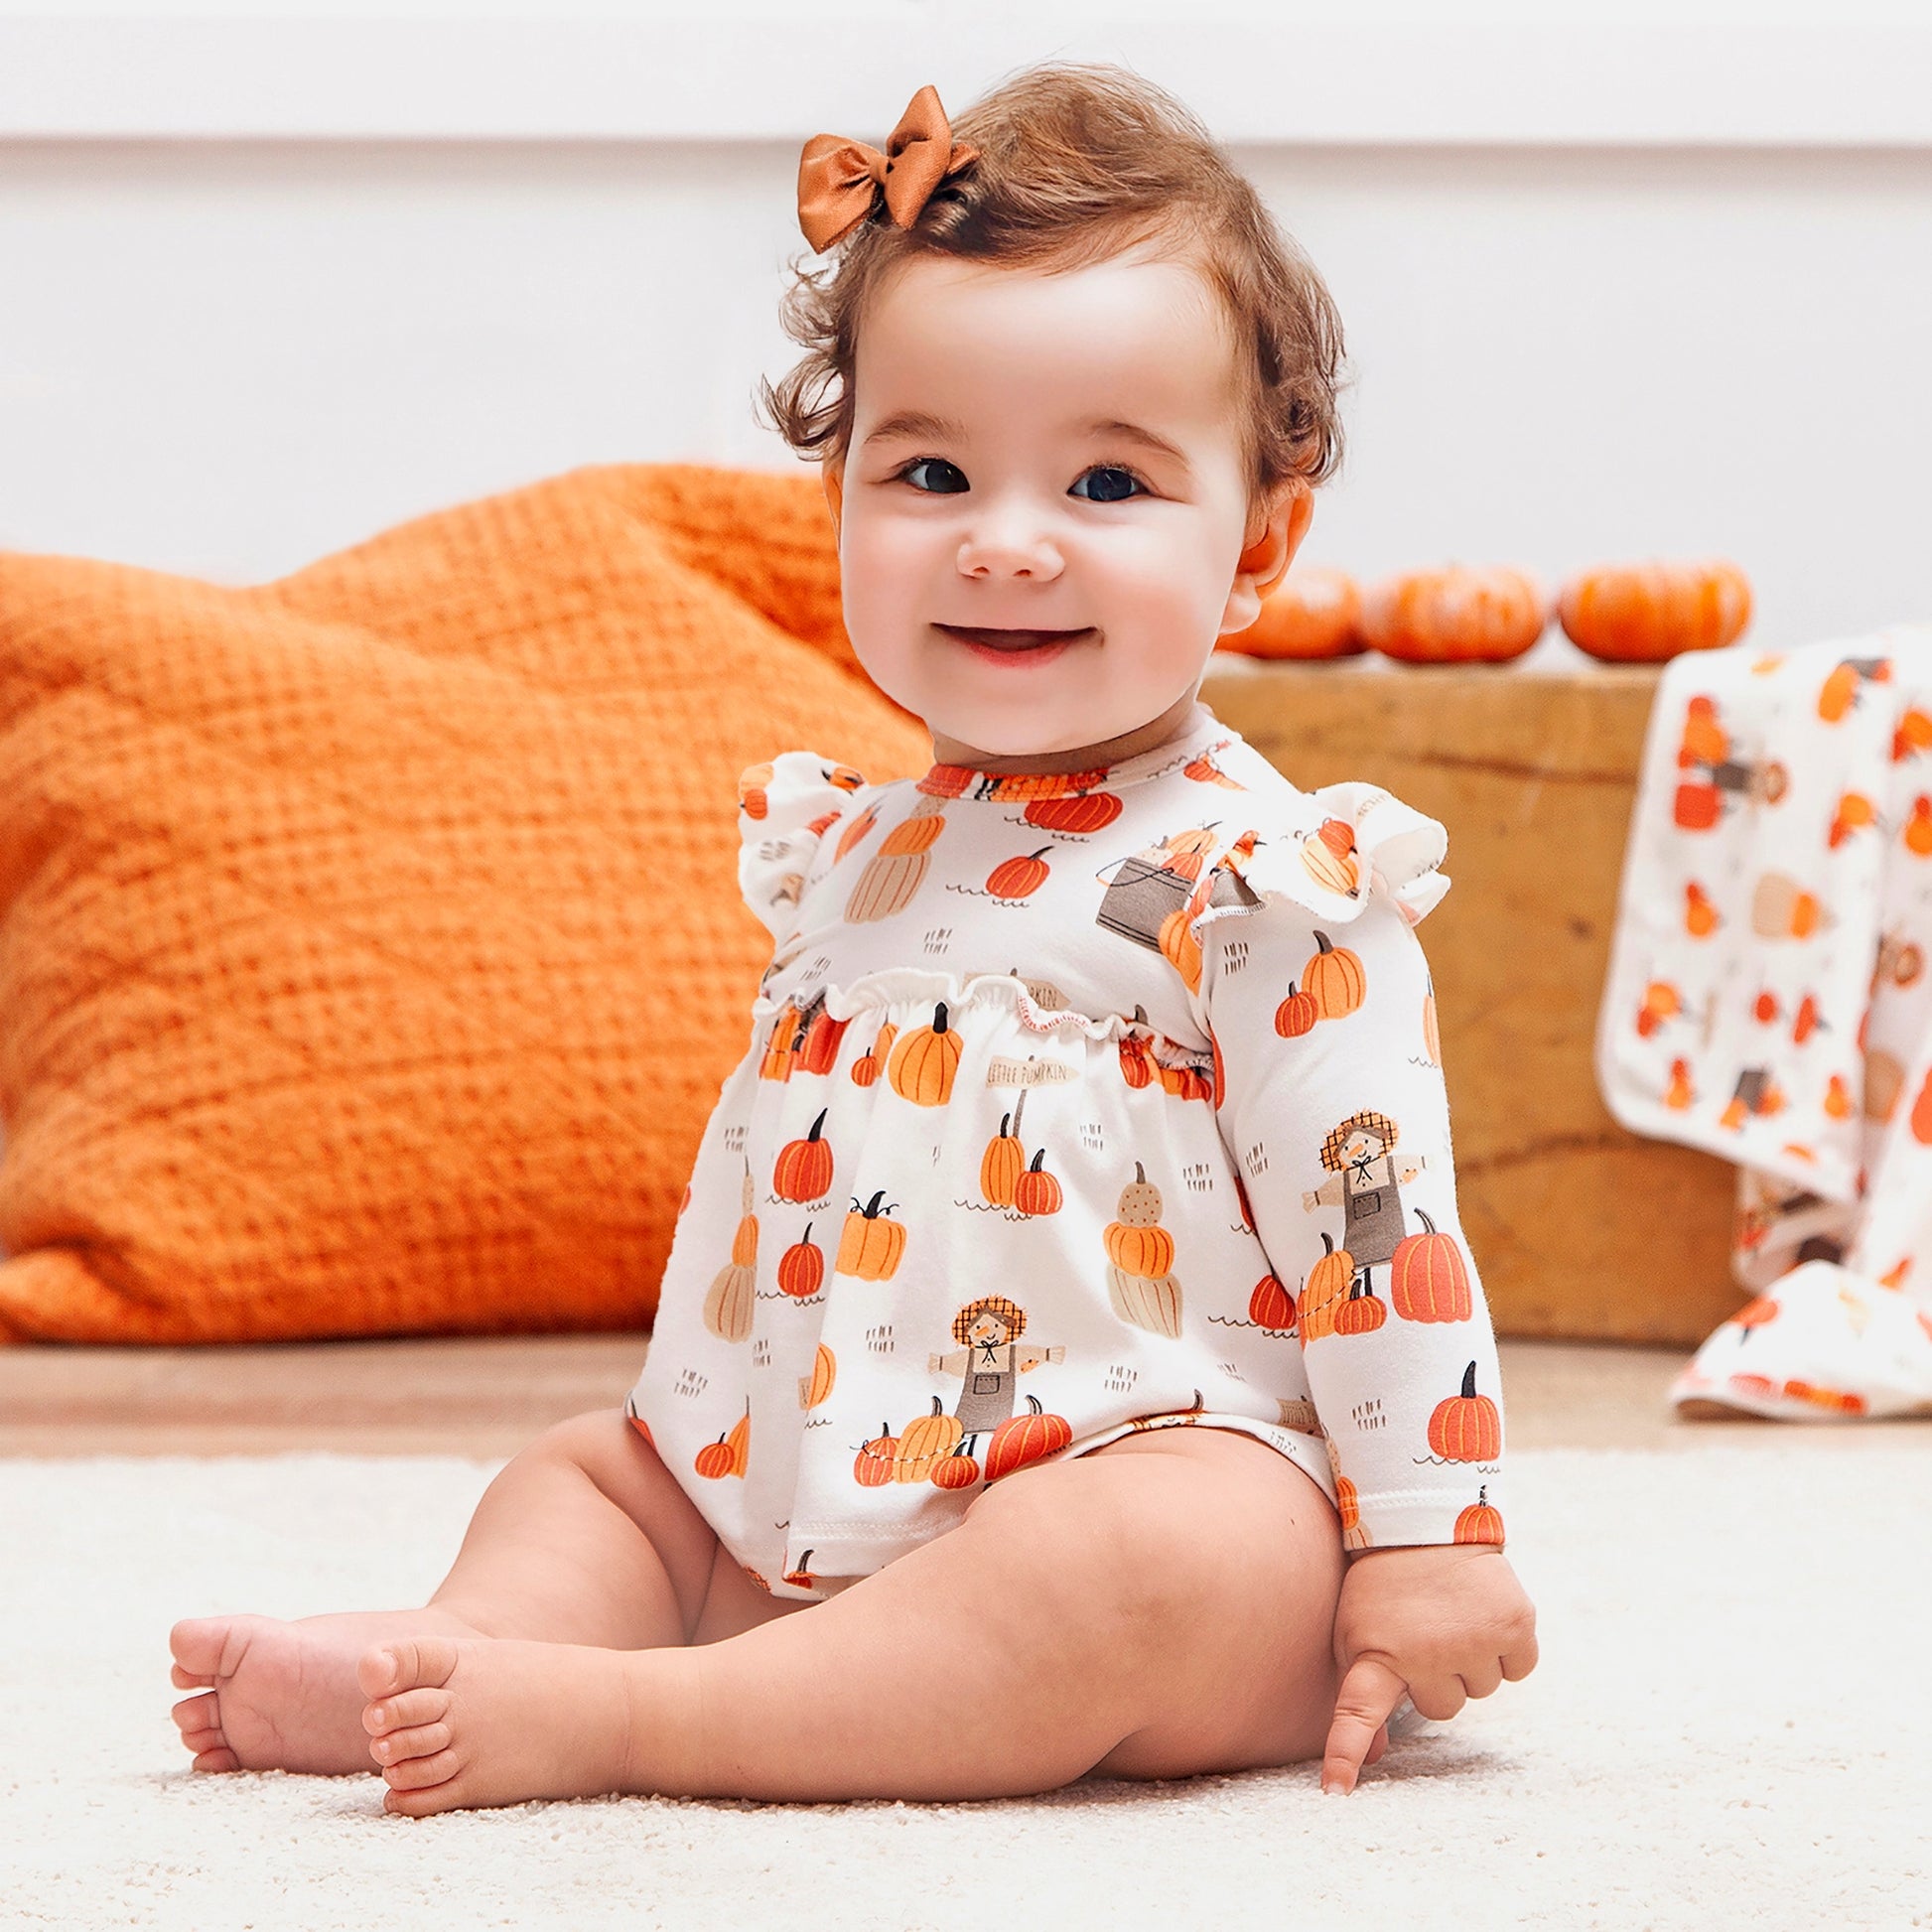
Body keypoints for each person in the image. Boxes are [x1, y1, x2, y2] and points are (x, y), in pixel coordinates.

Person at [168, 63, 1537, 1817]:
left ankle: (623, 1724)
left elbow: (1377, 1218)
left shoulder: (1263, 880)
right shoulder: (846, 857)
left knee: (1136, 1553)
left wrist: (1429, 1537)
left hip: (1166, 1506)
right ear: (840, 506)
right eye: (931, 468)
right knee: (598, 1482)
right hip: (805, 1493)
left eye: (1108, 484)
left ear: (1259, 542)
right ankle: (474, 1644)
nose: (1007, 540)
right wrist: (718, 1474)